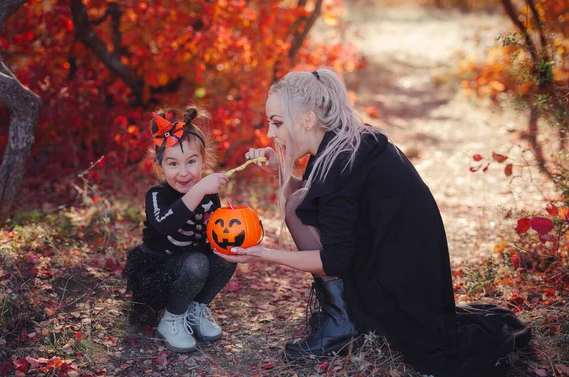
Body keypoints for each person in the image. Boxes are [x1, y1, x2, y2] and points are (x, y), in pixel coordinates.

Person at [215, 68, 531, 376]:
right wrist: (280, 172)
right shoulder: (340, 143)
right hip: (394, 261)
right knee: (296, 203)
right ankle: (344, 316)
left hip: (402, 282)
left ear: (308, 119)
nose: (270, 133)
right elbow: (313, 201)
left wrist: (260, 253)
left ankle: (344, 322)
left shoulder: (341, 160)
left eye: (277, 123)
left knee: (296, 206)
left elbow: (334, 260)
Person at [122, 107, 236, 353]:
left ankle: (196, 308)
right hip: (159, 275)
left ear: (203, 162)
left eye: (192, 162)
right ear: (160, 166)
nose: (183, 172)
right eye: (173, 163)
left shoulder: (209, 195)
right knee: (196, 263)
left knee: (227, 255)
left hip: (192, 269)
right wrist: (199, 190)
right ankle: (171, 319)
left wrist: (229, 228)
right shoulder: (157, 195)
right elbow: (165, 224)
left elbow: (210, 234)